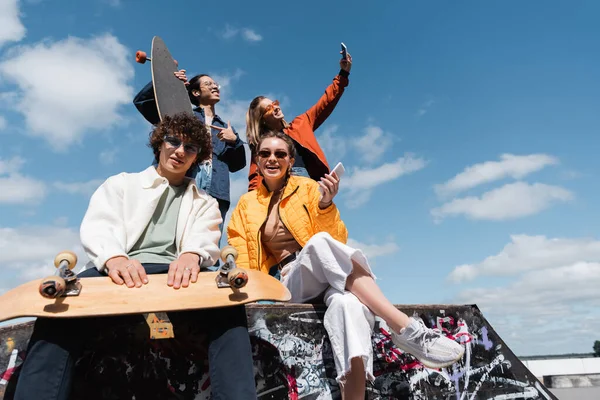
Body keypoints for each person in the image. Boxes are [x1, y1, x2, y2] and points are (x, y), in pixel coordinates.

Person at [14, 113, 257, 400]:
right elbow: (100, 225)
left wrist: (192, 254)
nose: (180, 151)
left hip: (177, 275)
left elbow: (205, 236)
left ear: (198, 157)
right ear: (160, 144)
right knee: (61, 307)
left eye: (190, 148)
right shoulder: (122, 184)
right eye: (173, 141)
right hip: (116, 271)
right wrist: (114, 258)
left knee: (229, 306)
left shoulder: (204, 202)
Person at [227, 131, 464, 400]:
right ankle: (404, 328)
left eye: (280, 154)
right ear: (256, 160)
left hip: (330, 271)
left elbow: (339, 240)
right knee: (318, 244)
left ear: (290, 160)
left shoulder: (306, 188)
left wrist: (326, 205)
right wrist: (250, 296)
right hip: (293, 279)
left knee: (348, 305)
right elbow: (241, 251)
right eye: (265, 153)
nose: (272, 158)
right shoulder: (246, 204)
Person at [133, 71, 246, 230]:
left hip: (216, 191)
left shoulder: (225, 127)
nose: (214, 86)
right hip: (183, 179)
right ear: (196, 92)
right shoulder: (182, 114)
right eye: (208, 84)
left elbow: (238, 165)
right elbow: (142, 102)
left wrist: (235, 141)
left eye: (215, 84)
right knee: (172, 233)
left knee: (209, 245)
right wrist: (166, 79)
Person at [244, 51, 353, 191]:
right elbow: (255, 176)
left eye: (275, 103)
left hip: (305, 182)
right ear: (262, 120)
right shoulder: (262, 145)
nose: (276, 107)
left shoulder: (300, 124)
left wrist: (343, 75)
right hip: (276, 187)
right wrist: (253, 205)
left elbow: (325, 103)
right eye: (269, 108)